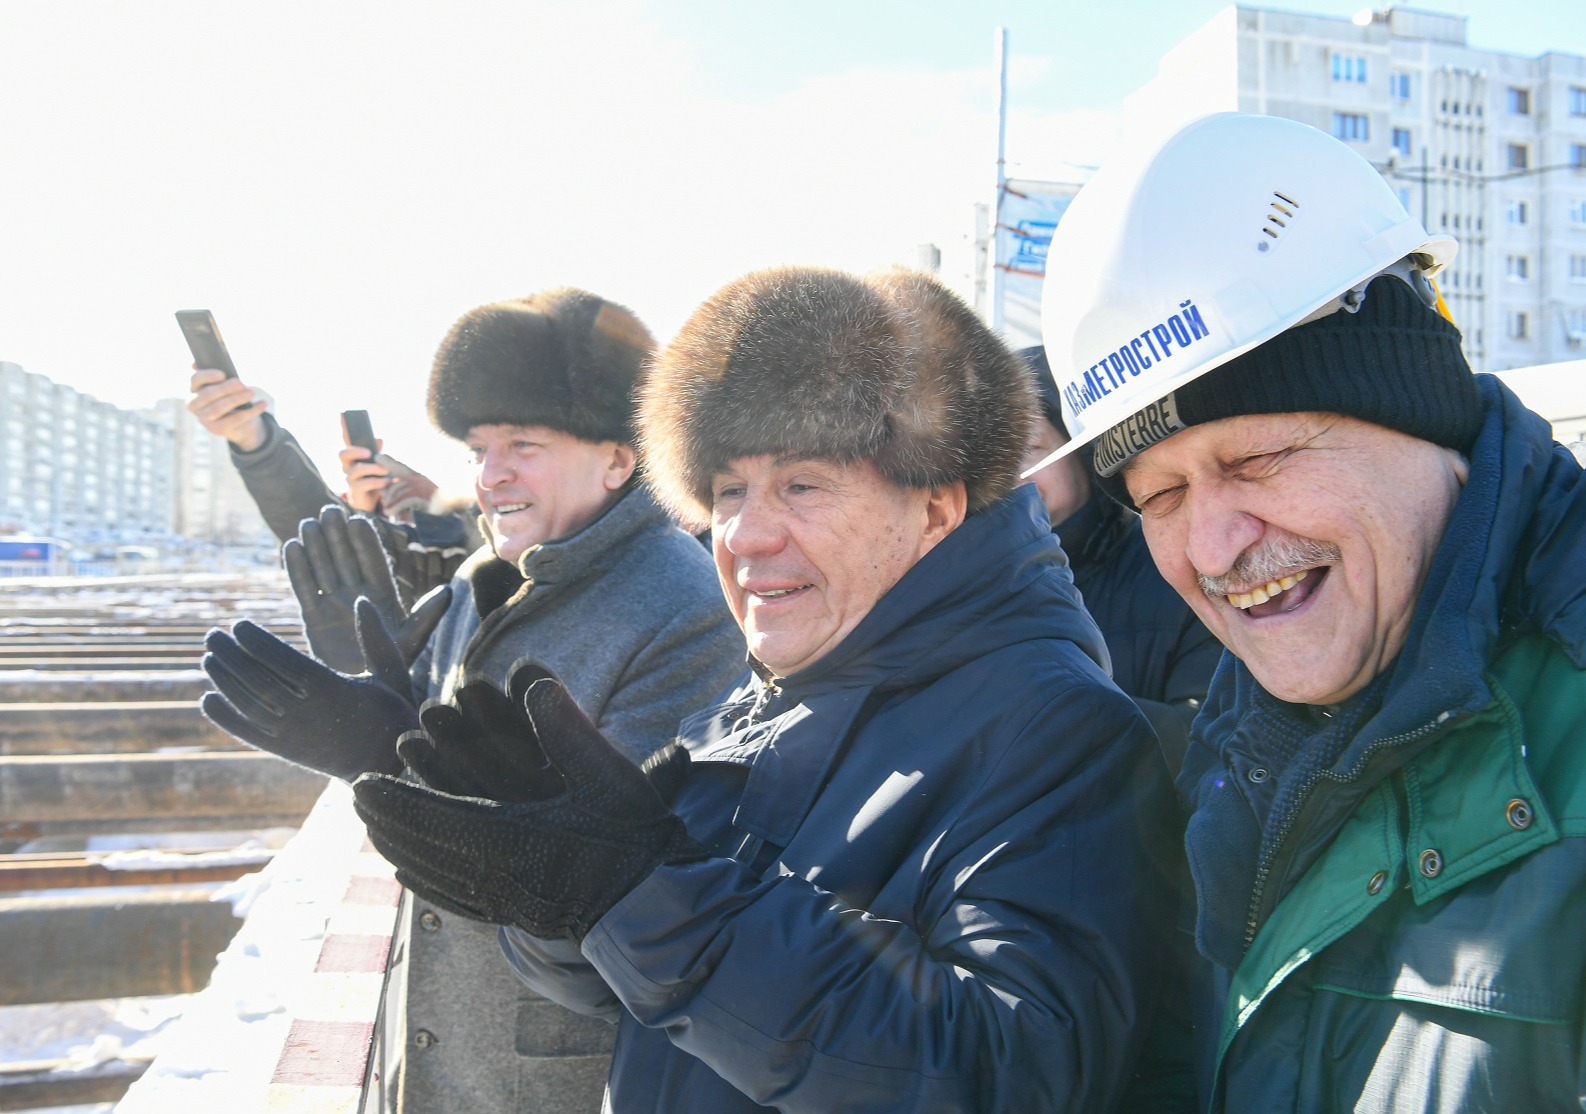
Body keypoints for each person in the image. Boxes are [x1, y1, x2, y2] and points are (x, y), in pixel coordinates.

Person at [350, 266, 1191, 1111]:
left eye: (801, 485)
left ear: (936, 508)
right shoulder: (764, 700)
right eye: (728, 491)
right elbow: (625, 996)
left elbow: (1004, 1072)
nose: (745, 535)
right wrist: (558, 891)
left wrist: (635, 890)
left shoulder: (1056, 730)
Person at [1034, 111, 1586, 1112]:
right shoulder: (1245, 740)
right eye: (1160, 496)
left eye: (1258, 459)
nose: (1212, 548)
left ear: (1415, 408)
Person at [201, 287, 745, 1111]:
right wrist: (379, 711)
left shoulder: (684, 608)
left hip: (554, 1072)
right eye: (478, 449)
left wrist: (385, 754)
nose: (491, 476)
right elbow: (439, 749)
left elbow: (621, 880)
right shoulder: (482, 576)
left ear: (618, 459)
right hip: (440, 1039)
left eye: (524, 444)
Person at [1017, 344, 1221, 770]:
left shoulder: (1178, 562)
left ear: (1081, 451)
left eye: (1029, 448)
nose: (1008, 478)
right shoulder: (968, 587)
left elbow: (1215, 736)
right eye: (987, 462)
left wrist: (1041, 705)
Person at [186, 365, 472, 599]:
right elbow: (332, 546)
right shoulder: (450, 554)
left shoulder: (471, 548)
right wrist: (257, 443)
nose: (491, 473)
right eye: (480, 450)